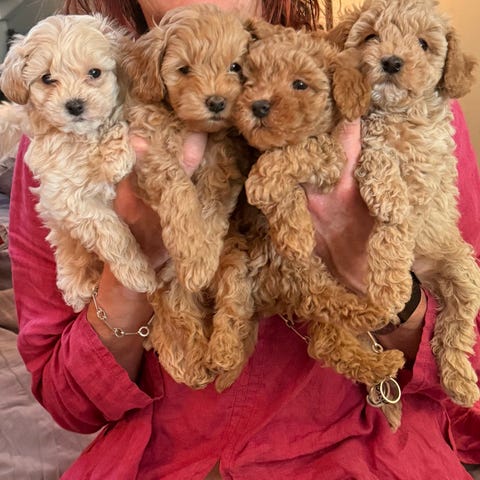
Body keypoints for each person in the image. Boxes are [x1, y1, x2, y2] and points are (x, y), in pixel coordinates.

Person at [8, 0, 480, 478]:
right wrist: (134, 264)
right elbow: (69, 400)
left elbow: (470, 369)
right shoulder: (66, 124)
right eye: (185, 69)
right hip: (163, 459)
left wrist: (364, 269)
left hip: (364, 449)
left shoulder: (399, 94)